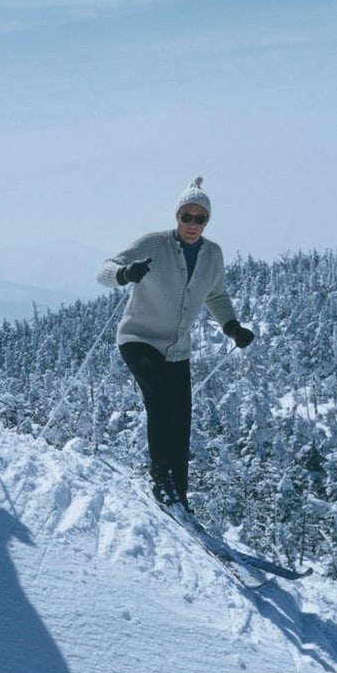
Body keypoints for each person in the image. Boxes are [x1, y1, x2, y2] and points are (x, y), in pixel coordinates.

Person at [97, 177, 255, 510]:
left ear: (207, 221)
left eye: (200, 218)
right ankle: (161, 482)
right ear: (177, 216)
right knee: (159, 399)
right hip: (138, 338)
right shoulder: (153, 244)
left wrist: (231, 326)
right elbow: (104, 270)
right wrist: (125, 273)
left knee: (181, 417)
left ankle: (178, 495)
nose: (193, 224)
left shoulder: (212, 254)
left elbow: (216, 294)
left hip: (177, 349)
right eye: (187, 216)